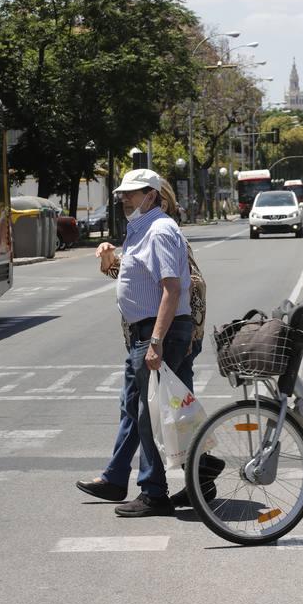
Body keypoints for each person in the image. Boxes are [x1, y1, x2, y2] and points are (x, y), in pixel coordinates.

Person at [76, 171, 221, 516]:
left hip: (160, 333)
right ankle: (128, 477)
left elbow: (172, 289)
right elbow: (138, 276)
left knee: (153, 415)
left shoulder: (160, 230)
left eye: (133, 193)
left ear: (152, 196)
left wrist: (155, 341)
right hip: (145, 333)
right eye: (123, 194)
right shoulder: (142, 228)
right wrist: (110, 258)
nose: (124, 199)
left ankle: (158, 490)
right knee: (144, 408)